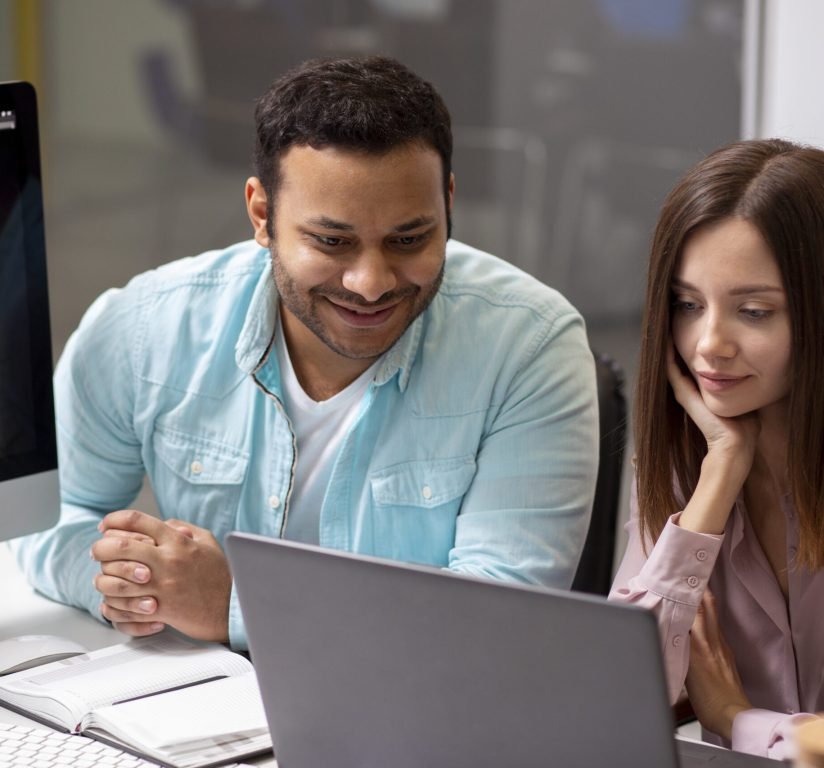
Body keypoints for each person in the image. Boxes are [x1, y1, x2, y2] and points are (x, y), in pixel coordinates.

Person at [13, 56, 599, 650]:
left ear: (448, 202)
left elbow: (499, 618)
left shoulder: (530, 344)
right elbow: (49, 517)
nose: (371, 282)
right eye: (332, 241)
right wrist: (134, 584)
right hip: (195, 710)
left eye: (409, 238)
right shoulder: (143, 327)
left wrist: (233, 606)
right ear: (262, 215)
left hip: (419, 719)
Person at [610, 138, 824, 759]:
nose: (708, 344)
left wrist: (734, 717)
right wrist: (719, 476)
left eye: (754, 311)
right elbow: (620, 697)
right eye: (686, 305)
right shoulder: (691, 464)